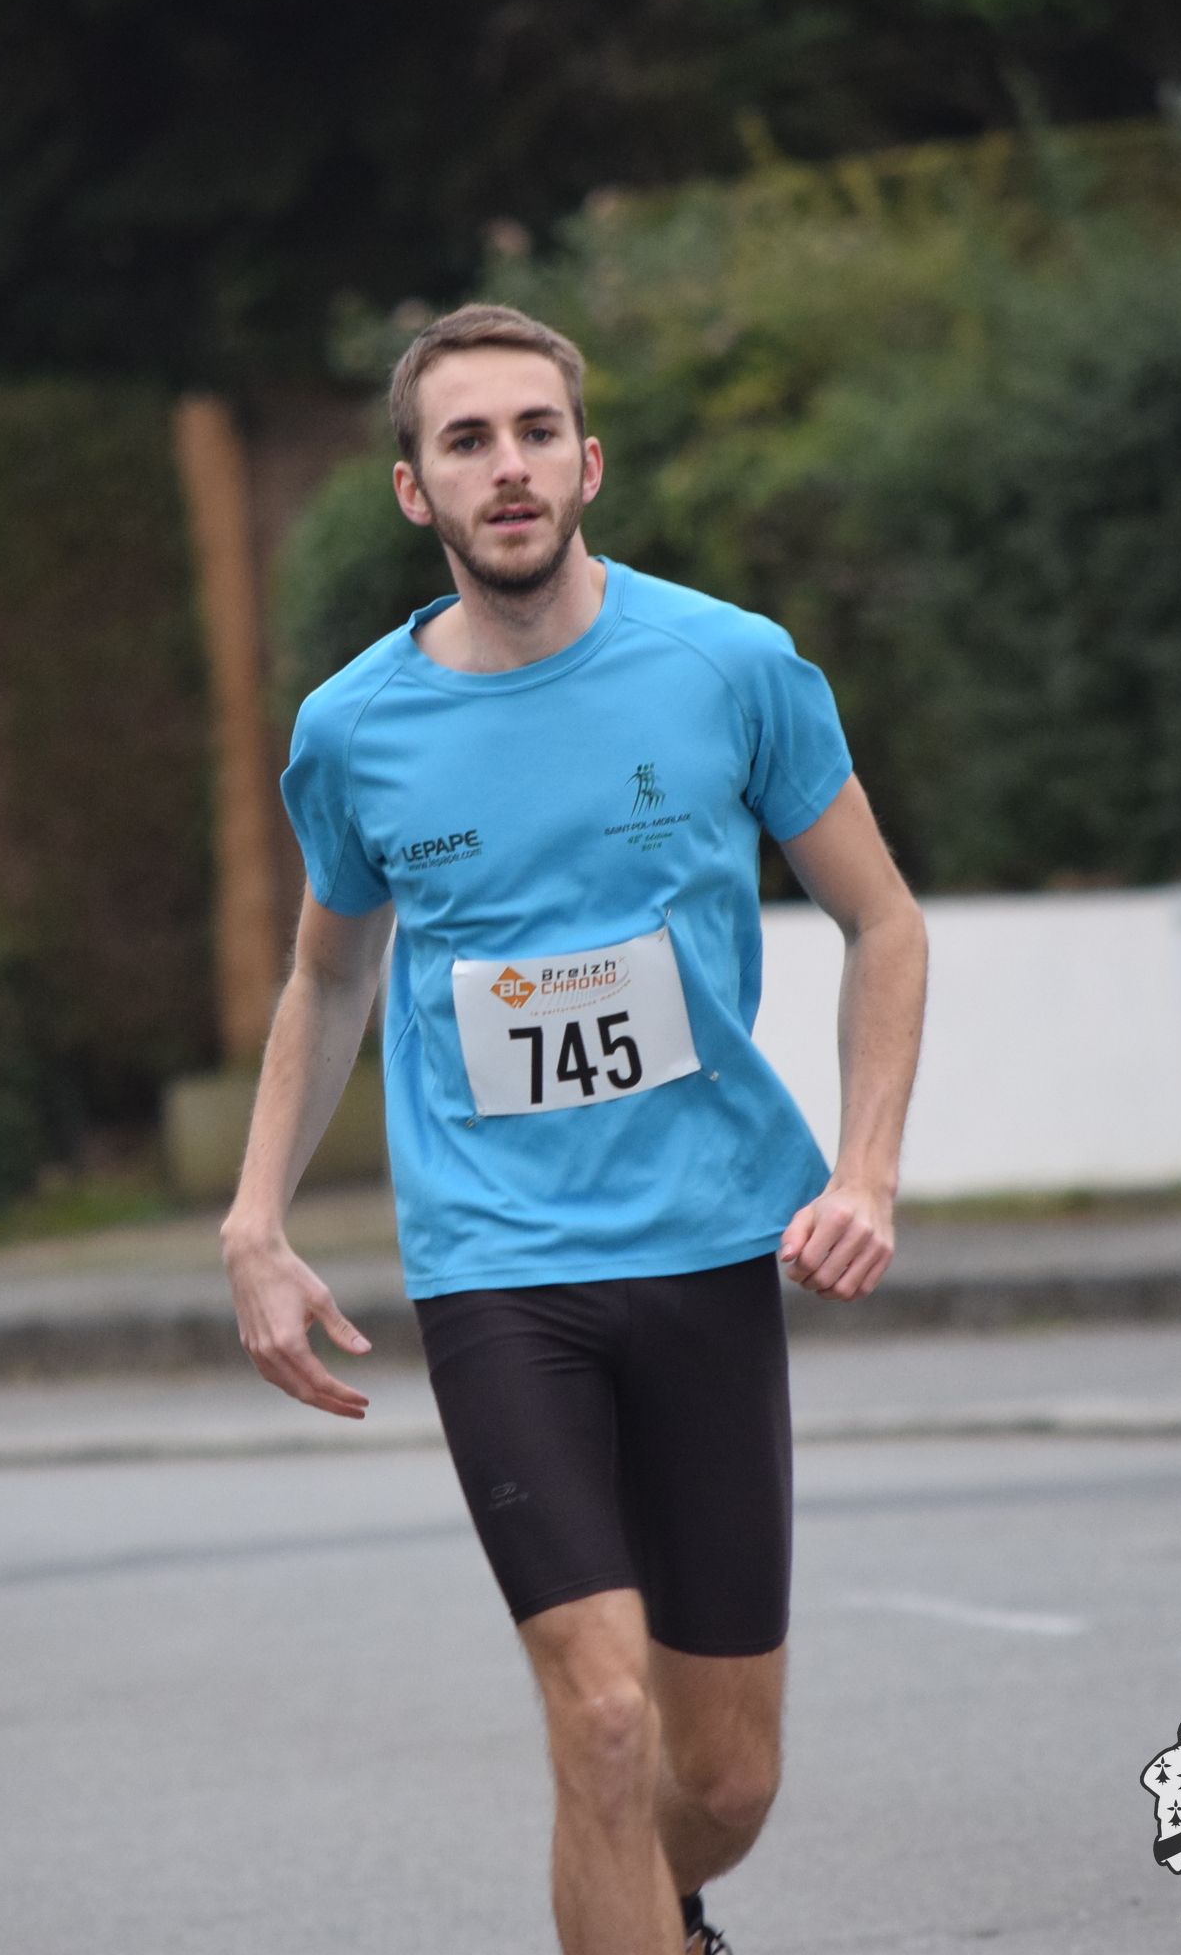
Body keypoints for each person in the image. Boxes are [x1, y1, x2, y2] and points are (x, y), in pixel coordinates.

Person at [219, 304, 929, 1955]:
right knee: (602, 1721)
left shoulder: (731, 668)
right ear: (415, 491)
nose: (509, 466)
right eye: (466, 441)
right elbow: (330, 975)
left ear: (587, 462)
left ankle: (660, 1916)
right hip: (499, 1269)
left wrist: (867, 1169)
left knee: (723, 1778)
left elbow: (884, 922)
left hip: (708, 1250)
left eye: (536, 431)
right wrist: (256, 1222)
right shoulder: (354, 730)